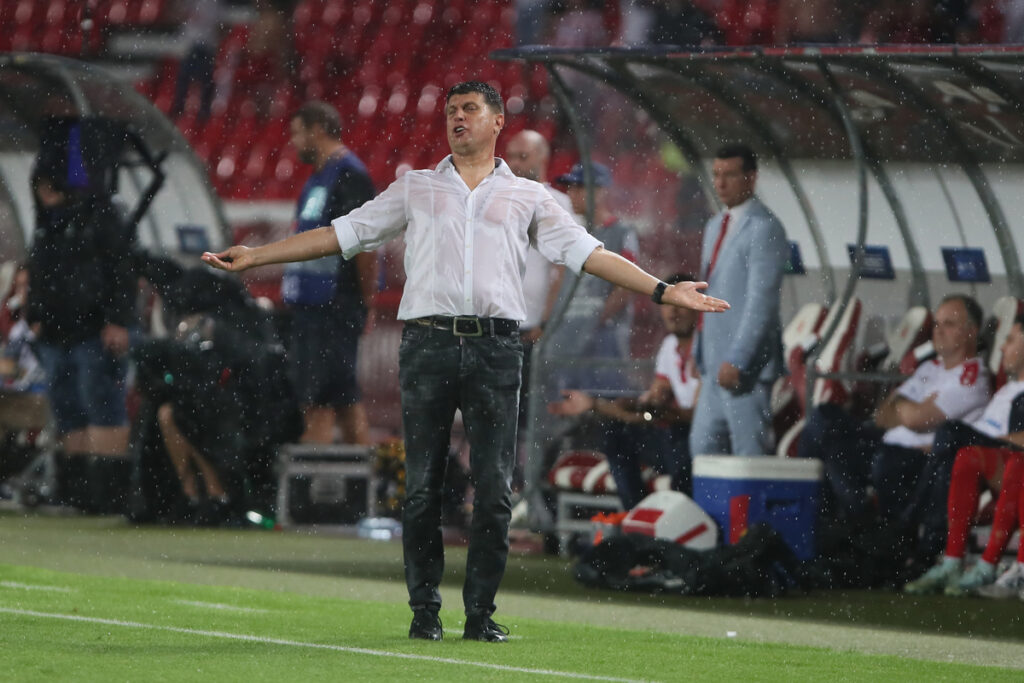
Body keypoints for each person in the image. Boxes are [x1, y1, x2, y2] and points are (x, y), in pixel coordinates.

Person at [202, 81, 728, 643]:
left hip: (497, 348)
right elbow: (342, 234)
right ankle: (424, 611)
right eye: (451, 111)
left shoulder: (530, 197)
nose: (457, 118)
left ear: (497, 121)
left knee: (495, 488)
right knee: (424, 487)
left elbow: (588, 254)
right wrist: (259, 256)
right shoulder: (417, 188)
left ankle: (480, 614)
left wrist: (662, 292)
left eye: (469, 110)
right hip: (427, 344)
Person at [798, 295, 991, 526]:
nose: (938, 331)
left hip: (913, 456)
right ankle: (818, 520)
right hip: (884, 438)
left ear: (971, 331)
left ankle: (848, 523)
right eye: (937, 324)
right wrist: (906, 409)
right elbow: (883, 414)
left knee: (835, 450)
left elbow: (916, 419)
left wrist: (903, 408)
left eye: (949, 324)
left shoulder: (972, 378)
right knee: (823, 417)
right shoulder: (930, 368)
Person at [26, 158, 137, 514]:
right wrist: (36, 316)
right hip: (57, 333)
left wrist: (117, 320)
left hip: (93, 330)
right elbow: (39, 274)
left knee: (101, 405)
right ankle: (75, 490)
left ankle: (106, 494)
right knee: (68, 409)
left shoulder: (101, 219)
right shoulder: (47, 226)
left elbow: (122, 272)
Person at [548, 272, 700, 509]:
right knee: (616, 434)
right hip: (673, 436)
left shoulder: (706, 346)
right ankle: (635, 514)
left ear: (698, 306)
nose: (673, 312)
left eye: (680, 304)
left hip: (694, 441)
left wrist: (652, 412)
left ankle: (684, 520)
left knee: (675, 436)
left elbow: (698, 417)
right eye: (667, 304)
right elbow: (649, 408)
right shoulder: (670, 347)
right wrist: (595, 404)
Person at [902, 313, 1024, 595]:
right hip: (994, 458)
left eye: (1010, 339)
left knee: (953, 434)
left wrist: (986, 442)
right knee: (962, 454)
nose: (1003, 347)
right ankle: (952, 559)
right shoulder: (1007, 390)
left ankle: (918, 534)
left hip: (1007, 457)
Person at [284, 101, 377, 445]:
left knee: (320, 400)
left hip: (334, 302)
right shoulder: (321, 177)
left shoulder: (349, 176)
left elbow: (367, 241)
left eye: (297, 133)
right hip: (314, 305)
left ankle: (313, 487)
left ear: (317, 130)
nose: (293, 142)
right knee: (339, 396)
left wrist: (365, 302)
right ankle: (369, 480)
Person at [690, 143, 788, 457]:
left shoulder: (765, 228)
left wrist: (739, 359)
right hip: (712, 364)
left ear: (751, 178)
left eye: (729, 175)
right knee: (703, 448)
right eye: (716, 175)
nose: (719, 183)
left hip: (744, 369)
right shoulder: (715, 225)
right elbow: (707, 292)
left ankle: (751, 508)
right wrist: (700, 348)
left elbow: (762, 303)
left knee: (749, 454)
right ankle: (710, 508)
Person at [546, 161, 640, 393]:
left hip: (603, 339)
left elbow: (625, 288)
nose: (572, 194)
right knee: (561, 406)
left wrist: (594, 321)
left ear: (600, 191)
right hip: (567, 335)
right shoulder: (570, 233)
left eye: (578, 187)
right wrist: (549, 323)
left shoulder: (621, 232)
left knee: (602, 402)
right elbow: (558, 281)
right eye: (570, 188)